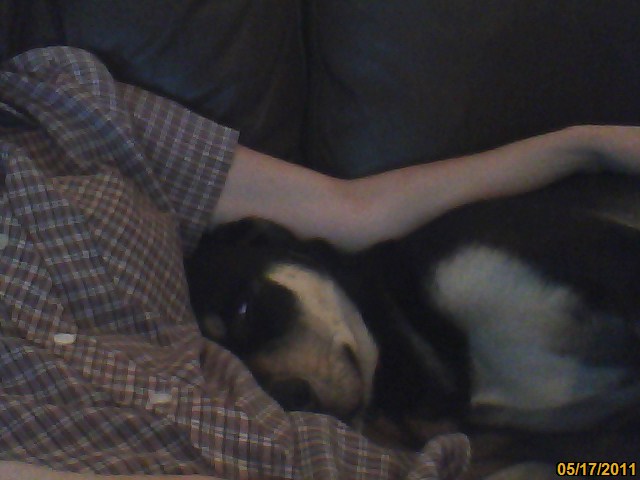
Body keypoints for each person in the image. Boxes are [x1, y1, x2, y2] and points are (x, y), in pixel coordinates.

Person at [1, 46, 640, 480]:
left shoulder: (65, 105)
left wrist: (584, 147)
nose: (279, 380)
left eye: (252, 316)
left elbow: (348, 209)